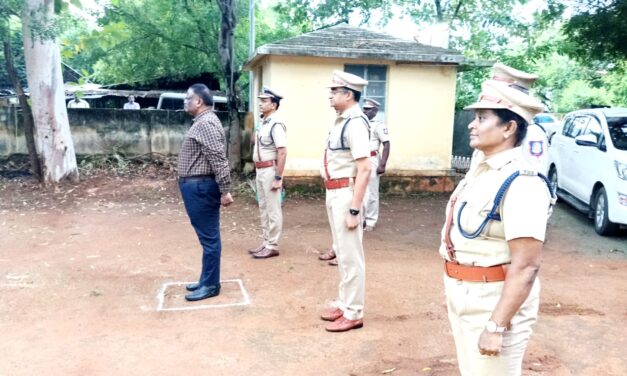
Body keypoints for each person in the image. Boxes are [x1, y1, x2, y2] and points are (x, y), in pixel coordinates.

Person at [440, 79, 555, 375]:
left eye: (482, 118)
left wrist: (496, 326)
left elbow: (527, 266)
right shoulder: (483, 169)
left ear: (508, 128)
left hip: (493, 301)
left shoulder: (522, 182)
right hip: (465, 292)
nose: (471, 125)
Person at [319, 70, 371, 332]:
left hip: (345, 194)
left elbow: (365, 168)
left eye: (335, 91)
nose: (330, 95)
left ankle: (354, 312)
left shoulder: (355, 123)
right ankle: (345, 303)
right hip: (334, 192)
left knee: (351, 256)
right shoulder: (341, 121)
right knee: (342, 252)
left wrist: (354, 209)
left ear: (348, 95)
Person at [178, 83, 234, 301]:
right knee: (207, 238)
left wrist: (225, 190)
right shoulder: (203, 122)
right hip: (196, 186)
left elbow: (218, 159)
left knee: (209, 238)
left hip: (201, 187)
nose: (185, 102)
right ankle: (206, 279)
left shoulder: (207, 123)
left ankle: (211, 285)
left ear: (199, 101)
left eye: (187, 98)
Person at [470, 63, 548, 175]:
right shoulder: (486, 140)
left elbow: (535, 170)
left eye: (482, 118)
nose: (472, 125)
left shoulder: (533, 133)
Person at [248, 87, 287, 259]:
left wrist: (278, 177)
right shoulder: (263, 123)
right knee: (263, 208)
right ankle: (265, 241)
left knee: (273, 209)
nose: (261, 104)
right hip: (260, 170)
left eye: (264, 101)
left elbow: (282, 152)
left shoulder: (276, 124)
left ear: (273, 104)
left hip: (270, 170)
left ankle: (273, 245)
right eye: (260, 100)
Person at [362, 98, 390, 231]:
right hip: (360, 160)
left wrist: (382, 164)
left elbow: (386, 144)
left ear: (375, 111)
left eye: (368, 109)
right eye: (364, 108)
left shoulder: (379, 125)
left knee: (372, 192)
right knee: (359, 190)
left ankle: (371, 221)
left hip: (373, 159)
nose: (365, 111)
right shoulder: (360, 123)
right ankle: (360, 218)